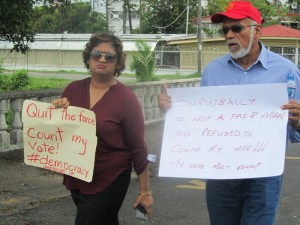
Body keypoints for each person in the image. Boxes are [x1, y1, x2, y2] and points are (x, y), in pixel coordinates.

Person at [158, 1, 300, 225]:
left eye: (237, 28)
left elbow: (296, 131)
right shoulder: (213, 71)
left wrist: (298, 121)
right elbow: (201, 120)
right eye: (225, 30)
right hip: (220, 172)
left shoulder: (287, 71)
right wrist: (175, 111)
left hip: (264, 174)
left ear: (257, 30)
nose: (229, 35)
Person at [51, 32, 153, 225]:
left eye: (110, 56)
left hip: (110, 177)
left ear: (117, 63)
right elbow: (60, 133)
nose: (102, 59)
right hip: (77, 175)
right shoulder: (72, 90)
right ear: (88, 58)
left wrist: (145, 191)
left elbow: (138, 147)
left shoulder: (126, 99)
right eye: (97, 54)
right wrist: (57, 110)